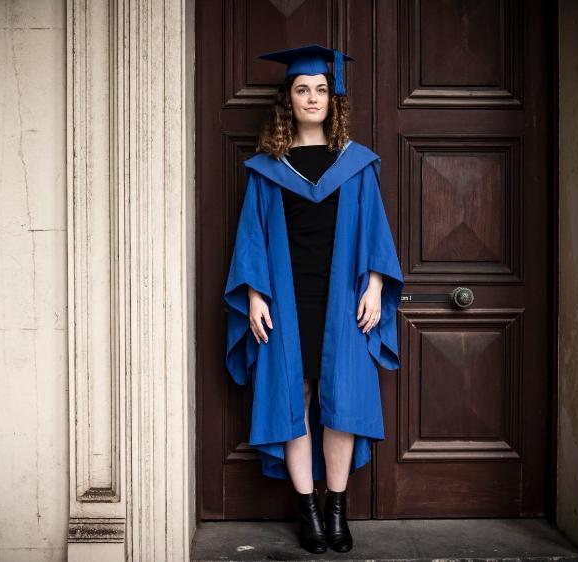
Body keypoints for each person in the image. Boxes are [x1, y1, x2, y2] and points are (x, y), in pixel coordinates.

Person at [223, 43, 403, 554]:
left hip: (342, 297)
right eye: (303, 89)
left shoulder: (356, 165)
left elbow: (373, 230)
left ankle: (337, 508)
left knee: (341, 399)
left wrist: (373, 284)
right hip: (286, 296)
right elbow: (252, 238)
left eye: (321, 89)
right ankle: (307, 511)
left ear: (333, 98)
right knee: (295, 397)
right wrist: (255, 296)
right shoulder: (267, 170)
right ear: (289, 100)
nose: (312, 97)